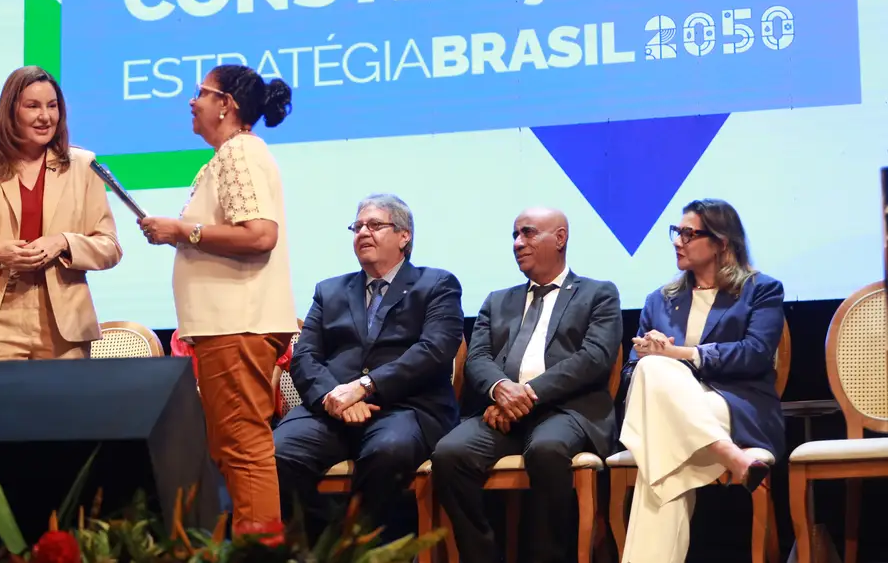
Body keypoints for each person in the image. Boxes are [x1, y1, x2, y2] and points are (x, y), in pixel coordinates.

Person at [139, 64, 296, 536]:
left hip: (236, 323)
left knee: (244, 448)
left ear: (226, 104)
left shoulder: (238, 152)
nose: (192, 101)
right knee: (234, 447)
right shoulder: (232, 154)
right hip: (227, 325)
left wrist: (180, 230)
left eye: (202, 93)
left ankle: (259, 550)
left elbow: (259, 235)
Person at [431, 207, 622, 563]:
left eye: (529, 233)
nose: (518, 243)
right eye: (515, 235)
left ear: (560, 238)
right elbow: (478, 358)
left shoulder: (599, 294)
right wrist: (501, 389)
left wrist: (527, 395)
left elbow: (594, 358)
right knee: (450, 454)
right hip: (501, 411)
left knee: (547, 450)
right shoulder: (497, 300)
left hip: (566, 411)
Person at [274, 194, 463, 540]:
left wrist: (364, 387)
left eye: (375, 225)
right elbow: (305, 357)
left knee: (387, 454)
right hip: (331, 408)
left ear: (404, 236)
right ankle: (324, 545)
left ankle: (363, 548)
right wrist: (335, 396)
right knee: (276, 454)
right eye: (357, 226)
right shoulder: (329, 290)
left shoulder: (436, 285)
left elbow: (434, 351)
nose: (363, 232)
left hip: (405, 408)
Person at [618, 199, 785, 563]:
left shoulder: (761, 290)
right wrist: (648, 354)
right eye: (676, 232)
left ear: (721, 242)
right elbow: (630, 372)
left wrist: (680, 354)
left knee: (658, 446)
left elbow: (755, 353)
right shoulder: (660, 300)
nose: (678, 241)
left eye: (688, 234)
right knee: (651, 371)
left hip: (737, 407)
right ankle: (731, 456)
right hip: (676, 411)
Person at [0, 66, 122, 361]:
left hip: (64, 324)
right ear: (11, 112)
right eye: (33, 106)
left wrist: (63, 242)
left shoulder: (83, 166)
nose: (45, 116)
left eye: (52, 106)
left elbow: (110, 248)